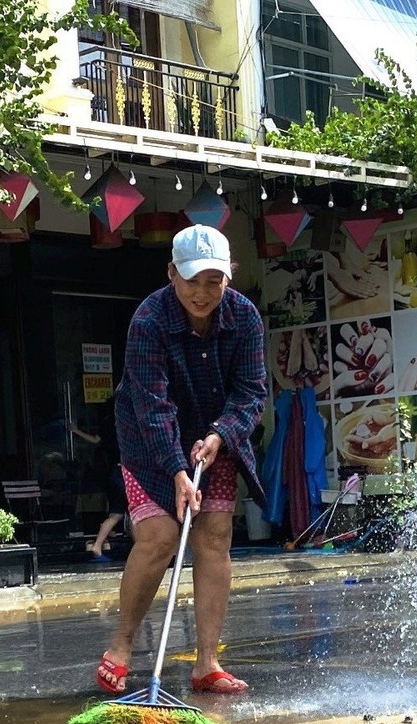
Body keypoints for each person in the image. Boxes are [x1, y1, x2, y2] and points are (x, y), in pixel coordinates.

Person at [95, 225, 266, 697]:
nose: (202, 292)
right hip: (148, 440)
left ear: (229, 277)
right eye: (192, 280)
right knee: (160, 537)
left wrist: (218, 435)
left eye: (214, 280)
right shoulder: (149, 319)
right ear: (172, 273)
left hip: (217, 436)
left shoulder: (245, 318)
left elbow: (251, 393)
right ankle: (123, 645)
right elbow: (152, 404)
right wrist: (174, 469)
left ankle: (206, 663)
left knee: (214, 534)